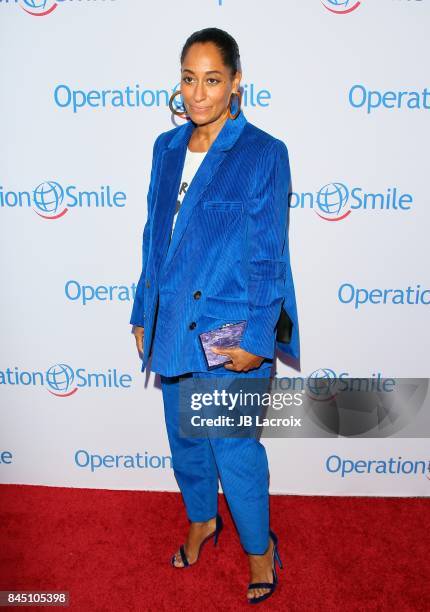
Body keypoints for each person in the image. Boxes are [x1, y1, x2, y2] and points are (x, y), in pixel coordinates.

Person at [130, 27, 299, 604]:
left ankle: (260, 550)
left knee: (234, 449)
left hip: (231, 333)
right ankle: (203, 519)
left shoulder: (262, 153)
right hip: (172, 324)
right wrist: (142, 309)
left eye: (212, 79)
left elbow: (270, 255)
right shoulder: (165, 148)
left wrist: (258, 335)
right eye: (188, 79)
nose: (198, 93)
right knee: (185, 438)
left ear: (235, 84)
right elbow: (156, 236)